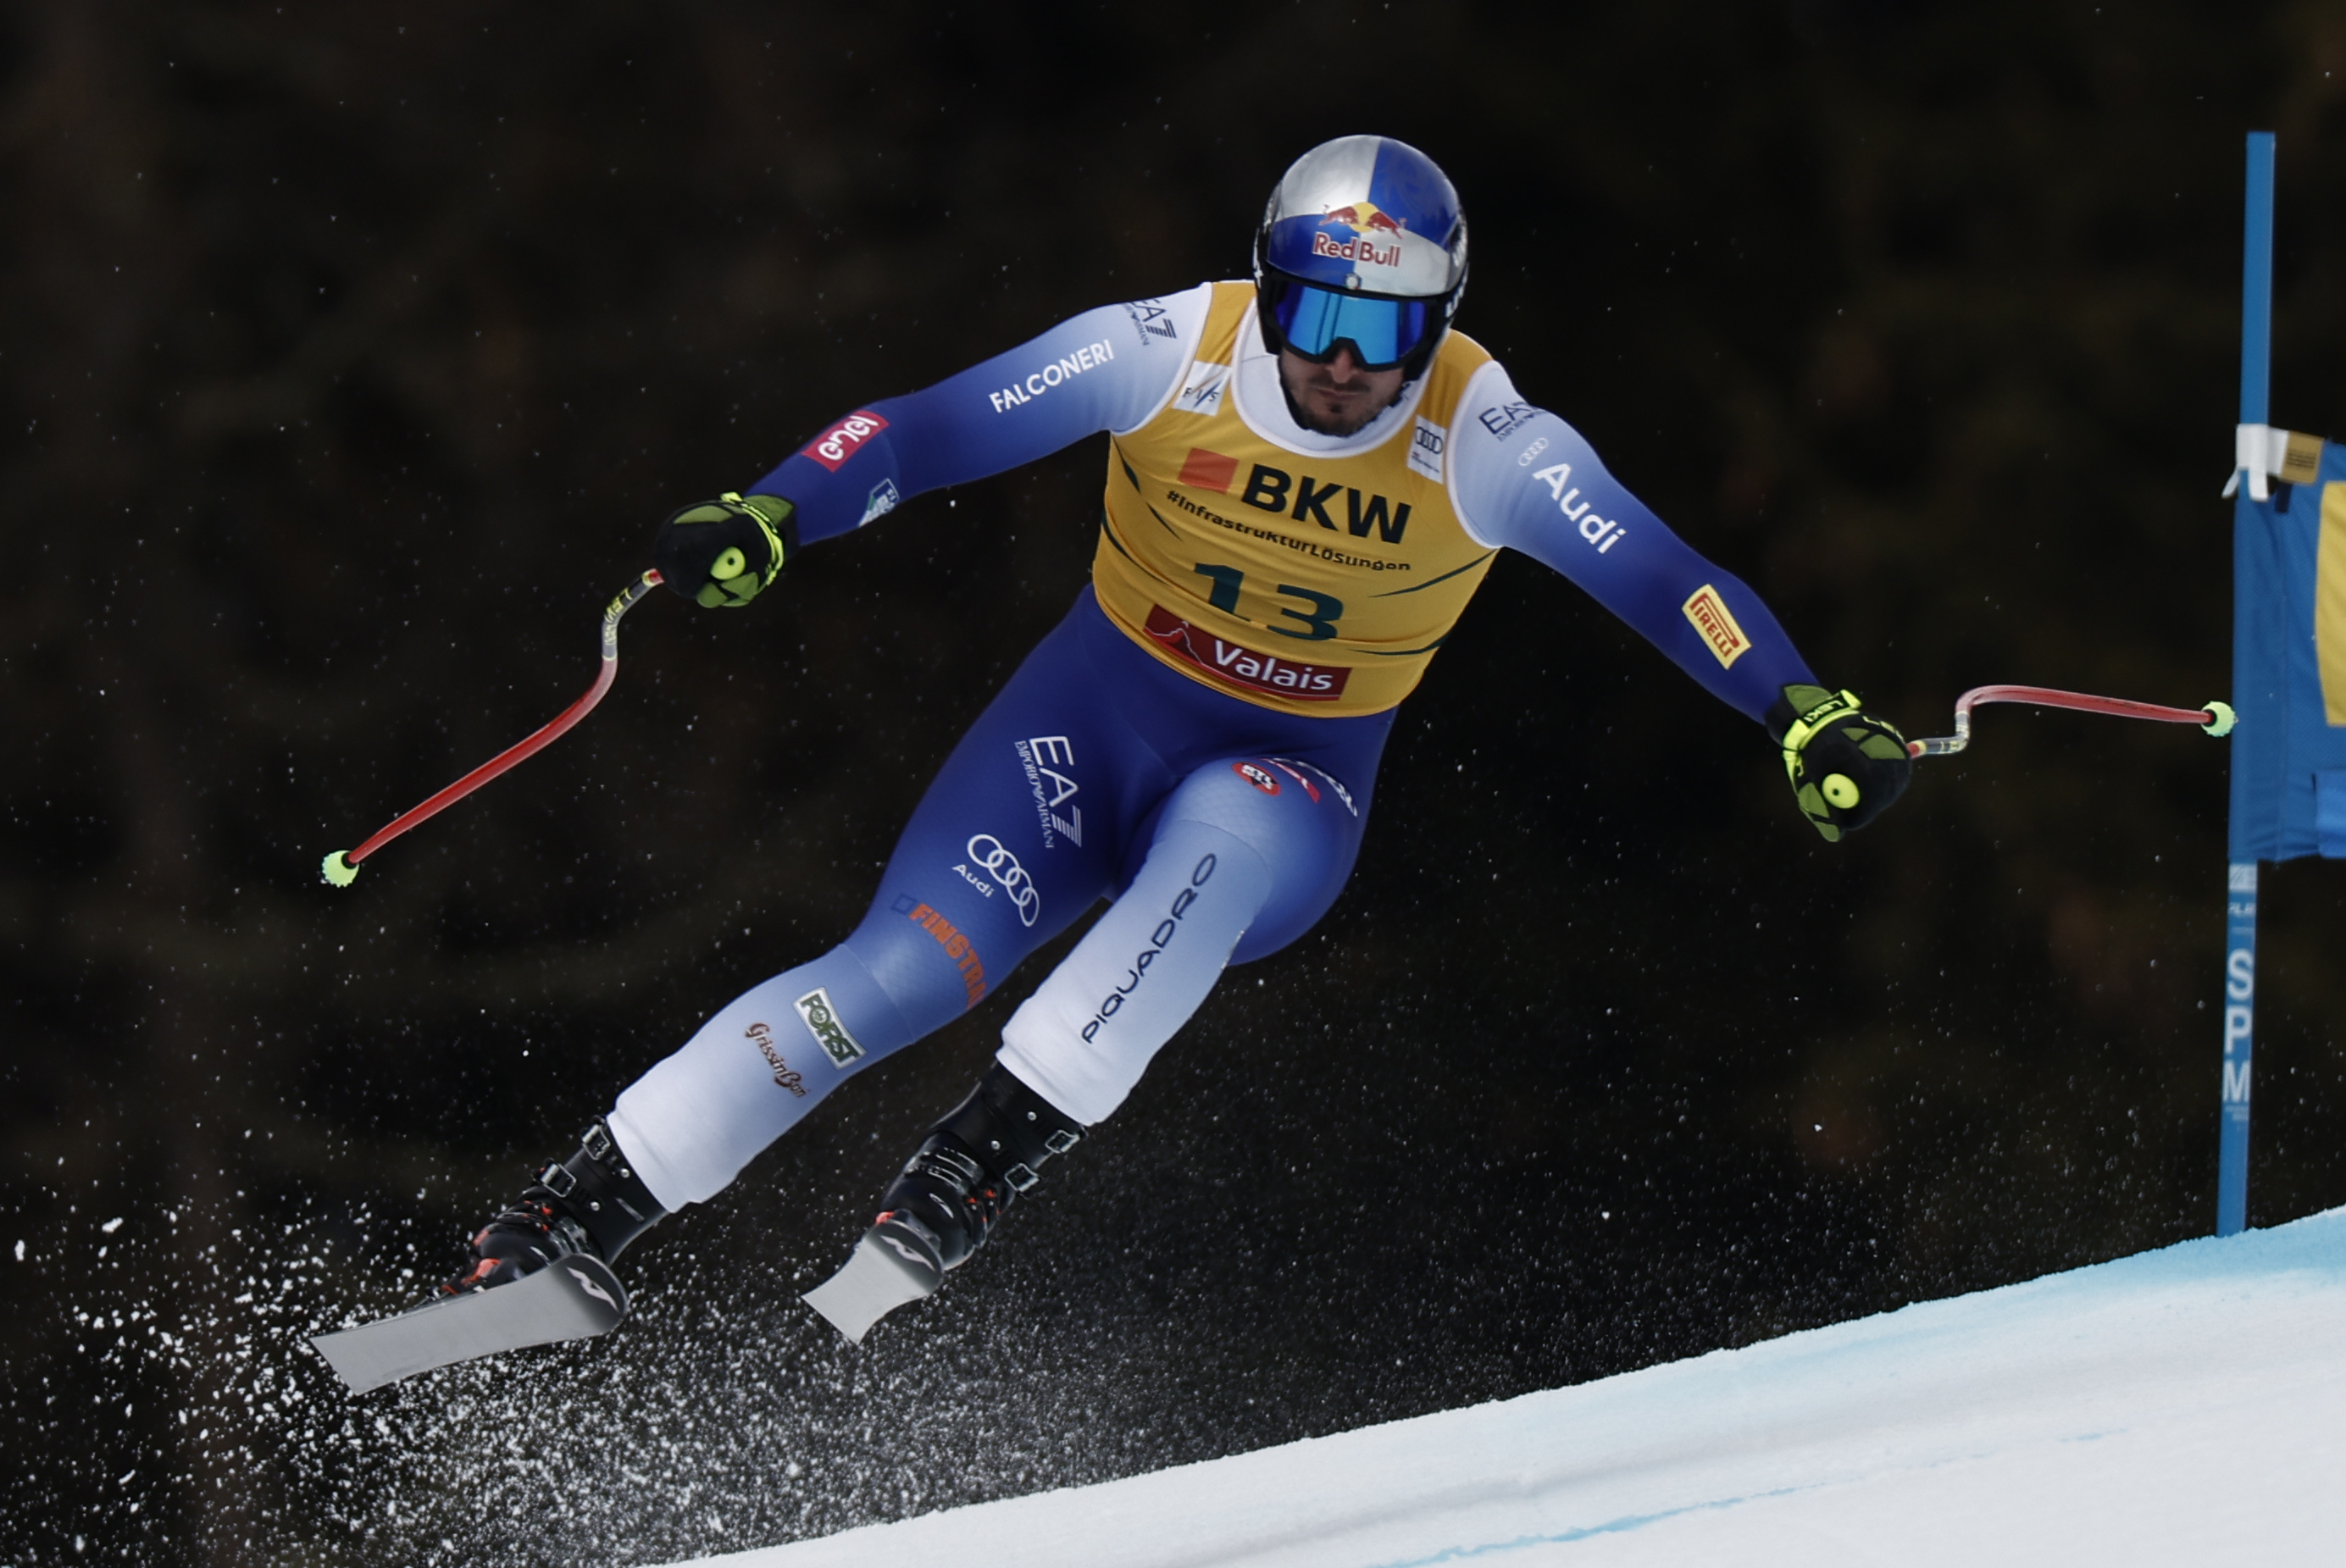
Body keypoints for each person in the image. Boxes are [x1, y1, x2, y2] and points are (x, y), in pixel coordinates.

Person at [442, 135, 1912, 1341]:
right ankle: (567, 1222)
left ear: (1441, 324)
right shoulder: (1168, 349)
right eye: (1314, 318)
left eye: (1386, 332)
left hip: (1292, 786)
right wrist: (774, 510)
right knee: (895, 974)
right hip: (1086, 728)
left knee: (1216, 843)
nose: (1341, 364)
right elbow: (923, 432)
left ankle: (978, 1162)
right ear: (1267, 289)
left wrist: (1801, 710)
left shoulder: (1485, 438)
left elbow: (1668, 583)